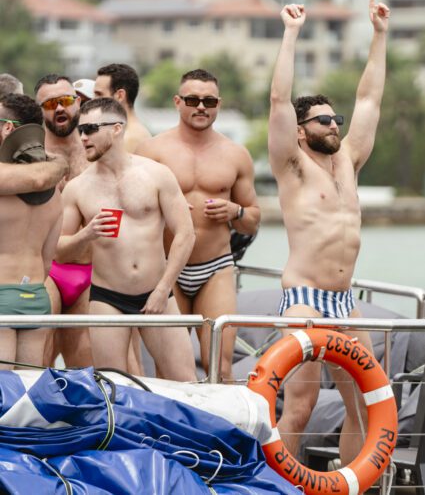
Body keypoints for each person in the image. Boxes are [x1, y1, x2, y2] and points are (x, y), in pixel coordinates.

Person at [268, 0, 389, 462]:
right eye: (323, 120)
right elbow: (279, 98)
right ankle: (282, 487)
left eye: (335, 118)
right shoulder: (292, 166)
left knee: (363, 404)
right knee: (300, 405)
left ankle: (350, 487)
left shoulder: (349, 163)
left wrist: (379, 35)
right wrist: (291, 33)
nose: (335, 125)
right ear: (301, 130)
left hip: (344, 300)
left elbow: (370, 96)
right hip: (303, 298)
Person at [57, 97, 196, 380]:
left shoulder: (156, 174)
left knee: (185, 381)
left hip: (157, 290)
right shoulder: (77, 188)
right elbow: (59, 251)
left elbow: (185, 233)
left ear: (117, 128)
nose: (83, 137)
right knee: (113, 386)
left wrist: (163, 289)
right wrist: (87, 234)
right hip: (107, 297)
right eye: (80, 130)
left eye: (91, 128)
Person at [136, 69, 260, 378]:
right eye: (192, 99)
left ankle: (222, 426)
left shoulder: (236, 154)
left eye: (209, 100)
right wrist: (164, 209)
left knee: (219, 364)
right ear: (178, 102)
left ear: (219, 104)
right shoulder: (152, 151)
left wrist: (236, 211)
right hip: (167, 268)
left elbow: (253, 219)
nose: (201, 106)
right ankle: (170, 427)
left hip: (215, 266)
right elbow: (132, 212)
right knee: (169, 367)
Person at [34, 74, 93, 367]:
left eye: (66, 101)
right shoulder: (31, 157)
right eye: (50, 103)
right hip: (47, 268)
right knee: (39, 358)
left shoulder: (97, 147)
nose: (59, 108)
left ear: (78, 102)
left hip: (92, 268)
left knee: (85, 363)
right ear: (40, 110)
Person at [0, 93, 63, 368]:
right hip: (37, 295)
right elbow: (48, 258)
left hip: (1, 294)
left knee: (3, 397)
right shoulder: (54, 191)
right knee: (27, 396)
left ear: (8, 127)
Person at [93, 63, 151, 152]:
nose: (93, 100)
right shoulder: (121, 133)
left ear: (120, 95)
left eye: (99, 94)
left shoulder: (130, 138)